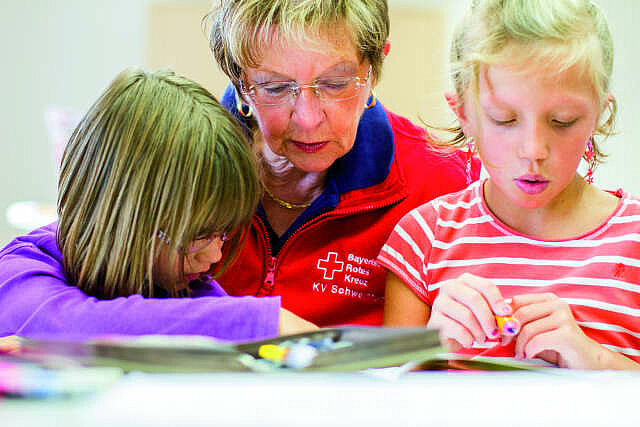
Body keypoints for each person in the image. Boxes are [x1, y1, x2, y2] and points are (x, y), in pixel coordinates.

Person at [0, 0, 476, 332]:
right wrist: (257, 322)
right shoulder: (181, 160)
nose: (308, 118)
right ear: (238, 79)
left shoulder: (447, 180)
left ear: (374, 66)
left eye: (335, 83)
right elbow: (31, 289)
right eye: (274, 87)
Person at [379, 0, 640, 369]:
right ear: (463, 114)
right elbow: (385, 407)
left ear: (599, 114)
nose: (533, 150)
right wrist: (429, 349)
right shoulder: (424, 239)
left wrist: (595, 358)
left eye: (562, 121)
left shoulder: (634, 241)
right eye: (504, 119)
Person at [0, 67, 314, 341]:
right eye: (199, 236)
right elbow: (62, 327)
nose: (216, 254)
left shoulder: (177, 284)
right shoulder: (18, 272)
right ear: (130, 217)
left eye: (223, 234)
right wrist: (264, 322)